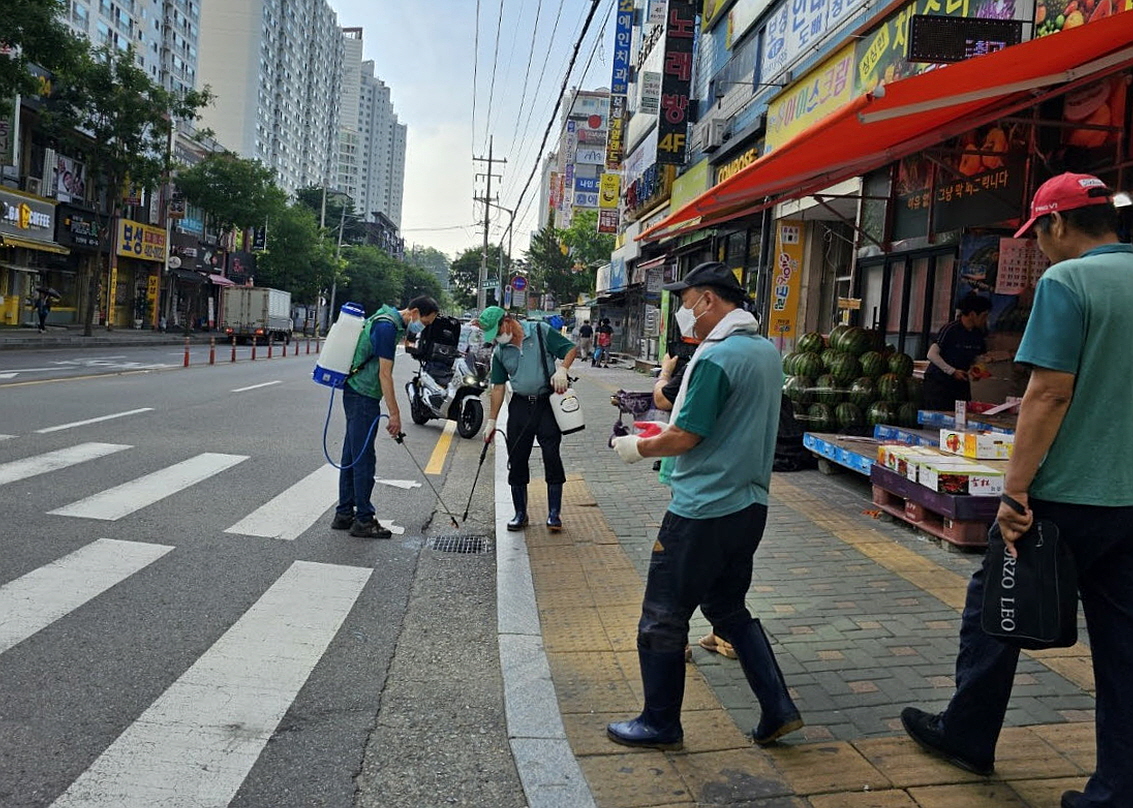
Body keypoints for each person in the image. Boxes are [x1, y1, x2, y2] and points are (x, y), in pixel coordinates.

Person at [900, 173, 1133, 808]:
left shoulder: (1069, 281)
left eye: (1040, 235)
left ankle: (967, 736)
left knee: (995, 613)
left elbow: (1049, 392)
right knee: (1122, 646)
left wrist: (1013, 492)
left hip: (1062, 500)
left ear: (1057, 225)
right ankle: (1117, 789)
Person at [606, 261, 802, 751]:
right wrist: (664, 436)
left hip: (702, 511)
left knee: (662, 615)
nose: (684, 312)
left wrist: (640, 447)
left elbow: (689, 433)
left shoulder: (717, 357)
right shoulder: (763, 352)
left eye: (687, 301)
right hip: (748, 506)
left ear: (710, 300)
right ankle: (778, 708)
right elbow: (726, 423)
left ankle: (659, 722)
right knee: (726, 607)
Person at [332, 296, 439, 538]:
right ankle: (363, 520)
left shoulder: (385, 319)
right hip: (363, 395)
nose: (424, 326)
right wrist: (395, 415)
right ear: (413, 312)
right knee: (364, 459)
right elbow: (385, 374)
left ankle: (344, 513)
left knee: (352, 454)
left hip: (356, 391)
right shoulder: (386, 327)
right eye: (425, 321)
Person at [480, 306, 577, 533]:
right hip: (520, 406)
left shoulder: (541, 331)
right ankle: (520, 513)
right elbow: (498, 387)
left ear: (507, 321)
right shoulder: (500, 352)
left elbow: (570, 349)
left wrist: (562, 370)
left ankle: (554, 513)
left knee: (552, 455)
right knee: (517, 457)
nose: (496, 338)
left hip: (546, 404)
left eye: (496, 331)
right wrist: (491, 421)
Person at [922, 293, 991, 411]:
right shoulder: (950, 329)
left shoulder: (979, 334)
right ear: (972, 314)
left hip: (961, 384)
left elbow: (979, 357)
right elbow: (932, 354)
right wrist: (952, 371)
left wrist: (977, 370)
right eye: (984, 316)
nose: (985, 320)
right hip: (939, 384)